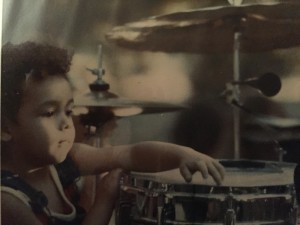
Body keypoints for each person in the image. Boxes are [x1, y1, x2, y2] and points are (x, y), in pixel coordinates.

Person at [1, 41, 225, 225]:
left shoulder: (68, 160)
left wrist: (183, 154)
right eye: (50, 113)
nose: (67, 124)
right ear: (4, 128)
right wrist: (105, 199)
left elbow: (130, 154)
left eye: (69, 111)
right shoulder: (7, 201)